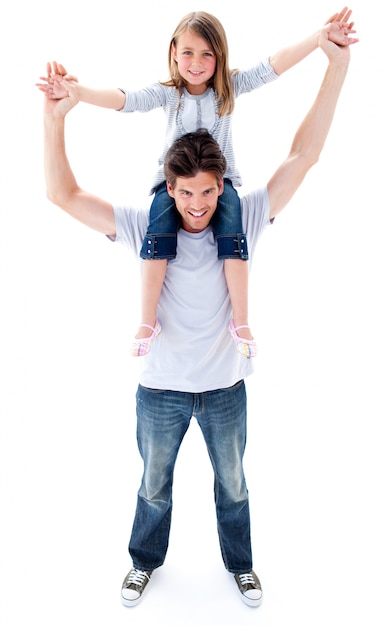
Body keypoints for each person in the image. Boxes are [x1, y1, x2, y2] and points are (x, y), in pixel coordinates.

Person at [38, 21, 357, 608]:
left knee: (234, 487)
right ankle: (143, 561)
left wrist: (333, 65)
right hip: (159, 389)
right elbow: (63, 195)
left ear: (221, 188)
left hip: (225, 389)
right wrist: (57, 116)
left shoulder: (245, 216)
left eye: (208, 194)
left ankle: (241, 566)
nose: (196, 206)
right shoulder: (145, 224)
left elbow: (303, 155)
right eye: (184, 194)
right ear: (169, 187)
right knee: (153, 487)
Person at [38, 9, 356, 359]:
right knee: (156, 243)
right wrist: (76, 94)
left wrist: (318, 43)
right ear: (173, 51)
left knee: (235, 243)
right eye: (188, 52)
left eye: (207, 54)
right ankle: (147, 321)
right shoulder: (168, 96)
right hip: (165, 181)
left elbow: (273, 70)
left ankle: (242, 320)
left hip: (228, 181)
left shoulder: (228, 91)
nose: (196, 63)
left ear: (219, 58)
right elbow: (124, 100)